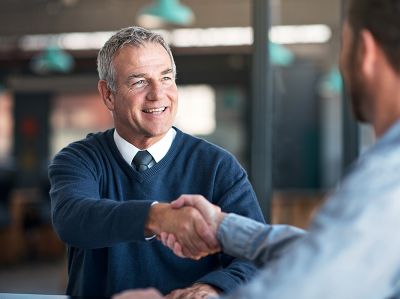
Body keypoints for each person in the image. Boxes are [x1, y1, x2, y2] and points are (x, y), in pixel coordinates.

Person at [113, 0, 400, 298]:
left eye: (344, 45)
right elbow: (330, 251)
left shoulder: (387, 173)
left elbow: (315, 285)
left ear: (365, 51)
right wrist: (223, 228)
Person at [48, 26, 267, 298]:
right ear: (108, 95)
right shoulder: (79, 159)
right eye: (139, 81)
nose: (157, 94)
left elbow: (255, 256)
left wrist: (212, 287)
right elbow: (73, 219)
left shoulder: (218, 167)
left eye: (166, 78)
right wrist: (158, 217)